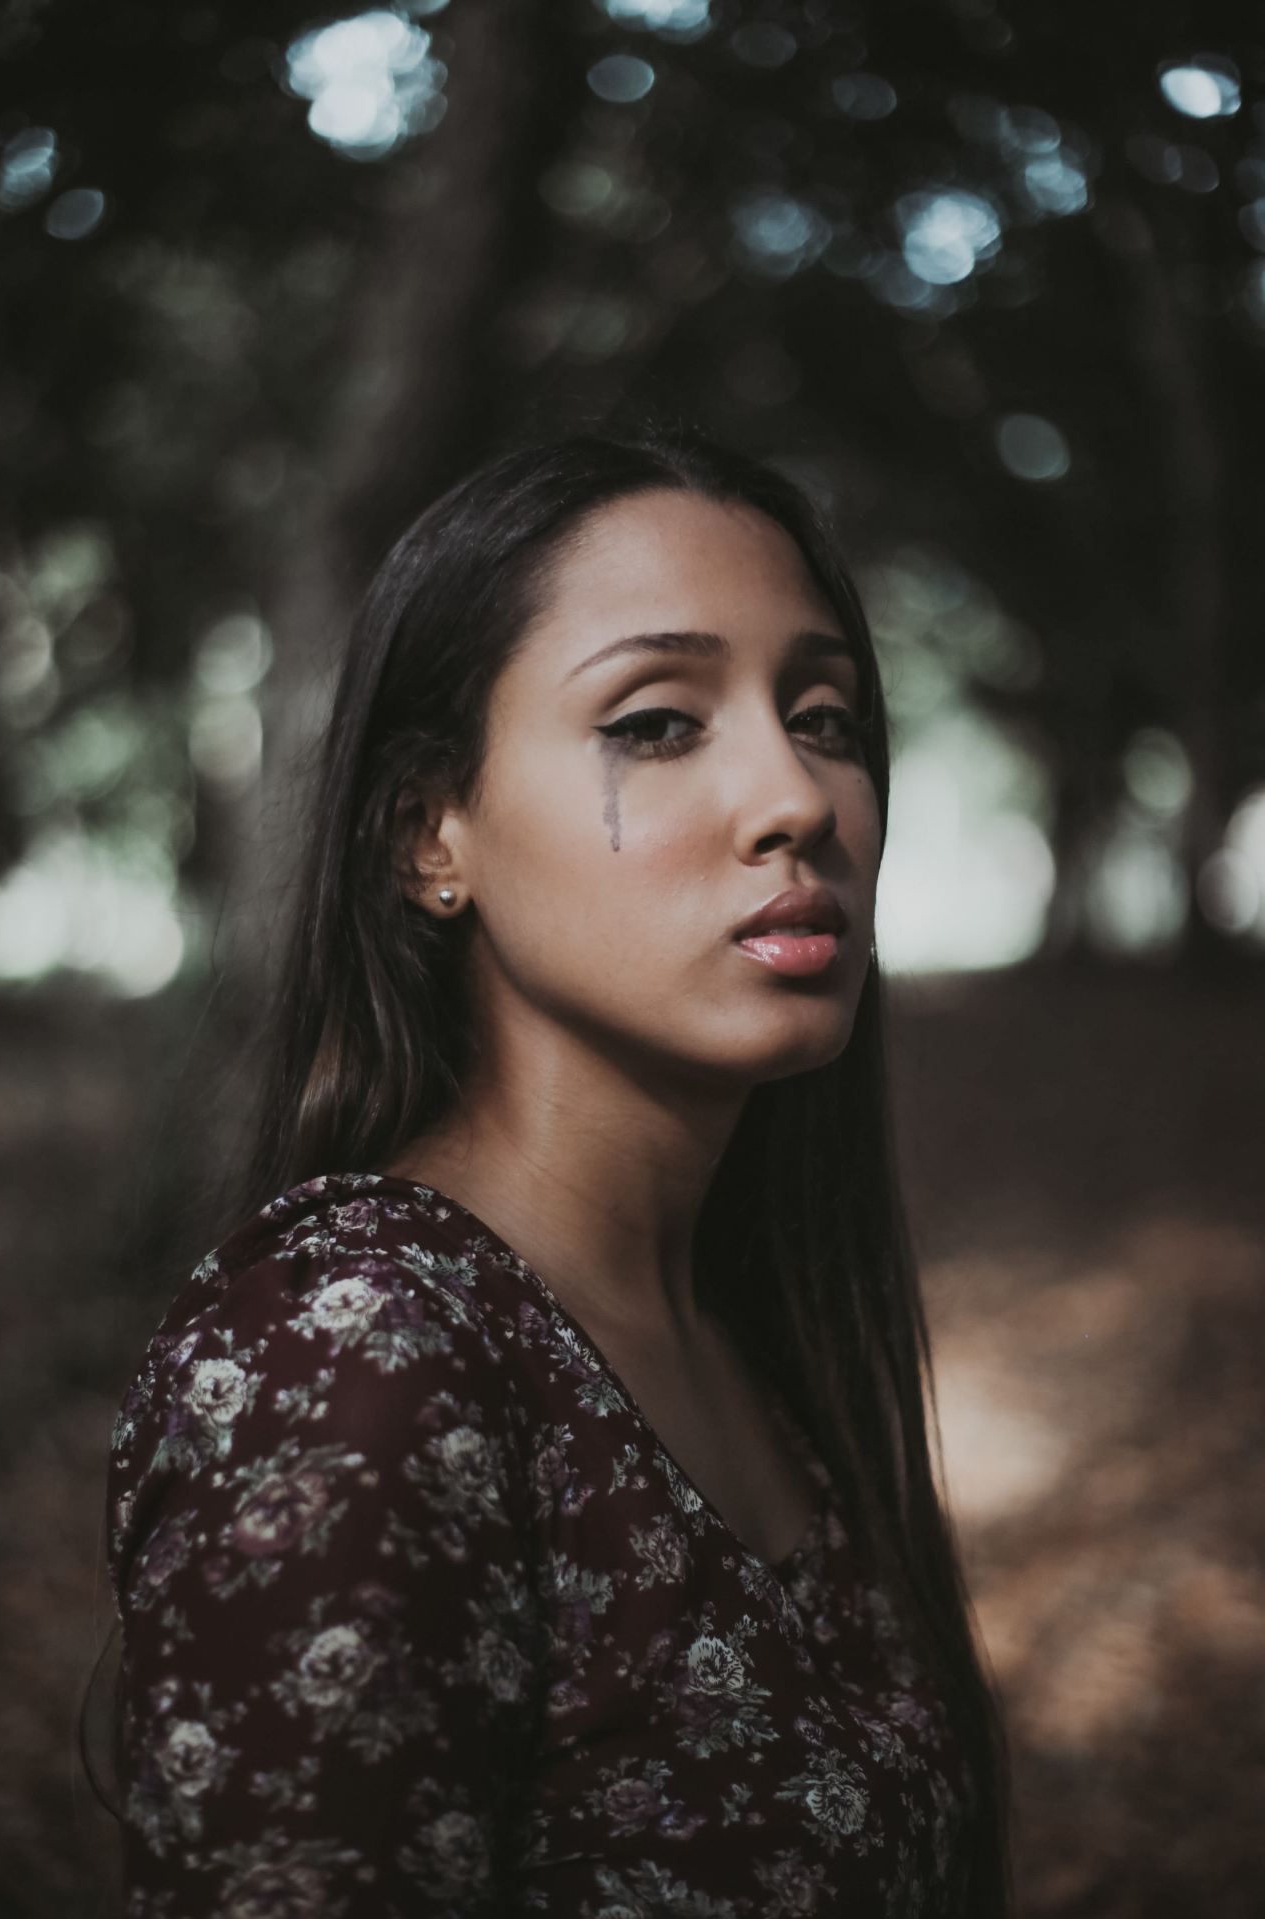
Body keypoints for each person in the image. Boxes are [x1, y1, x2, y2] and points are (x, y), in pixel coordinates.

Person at [99, 418, 1013, 1915]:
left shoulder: (755, 1332)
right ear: (427, 836)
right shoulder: (358, 1355)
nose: (797, 800)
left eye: (829, 715)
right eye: (658, 722)